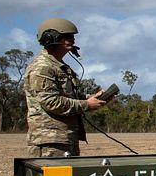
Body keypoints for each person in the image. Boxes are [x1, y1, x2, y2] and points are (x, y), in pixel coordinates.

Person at [23, 17, 108, 157]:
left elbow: (67, 95)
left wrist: (90, 98)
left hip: (64, 139)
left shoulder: (58, 66)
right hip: (50, 141)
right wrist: (86, 104)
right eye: (68, 36)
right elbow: (51, 102)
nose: (73, 40)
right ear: (50, 38)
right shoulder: (42, 68)